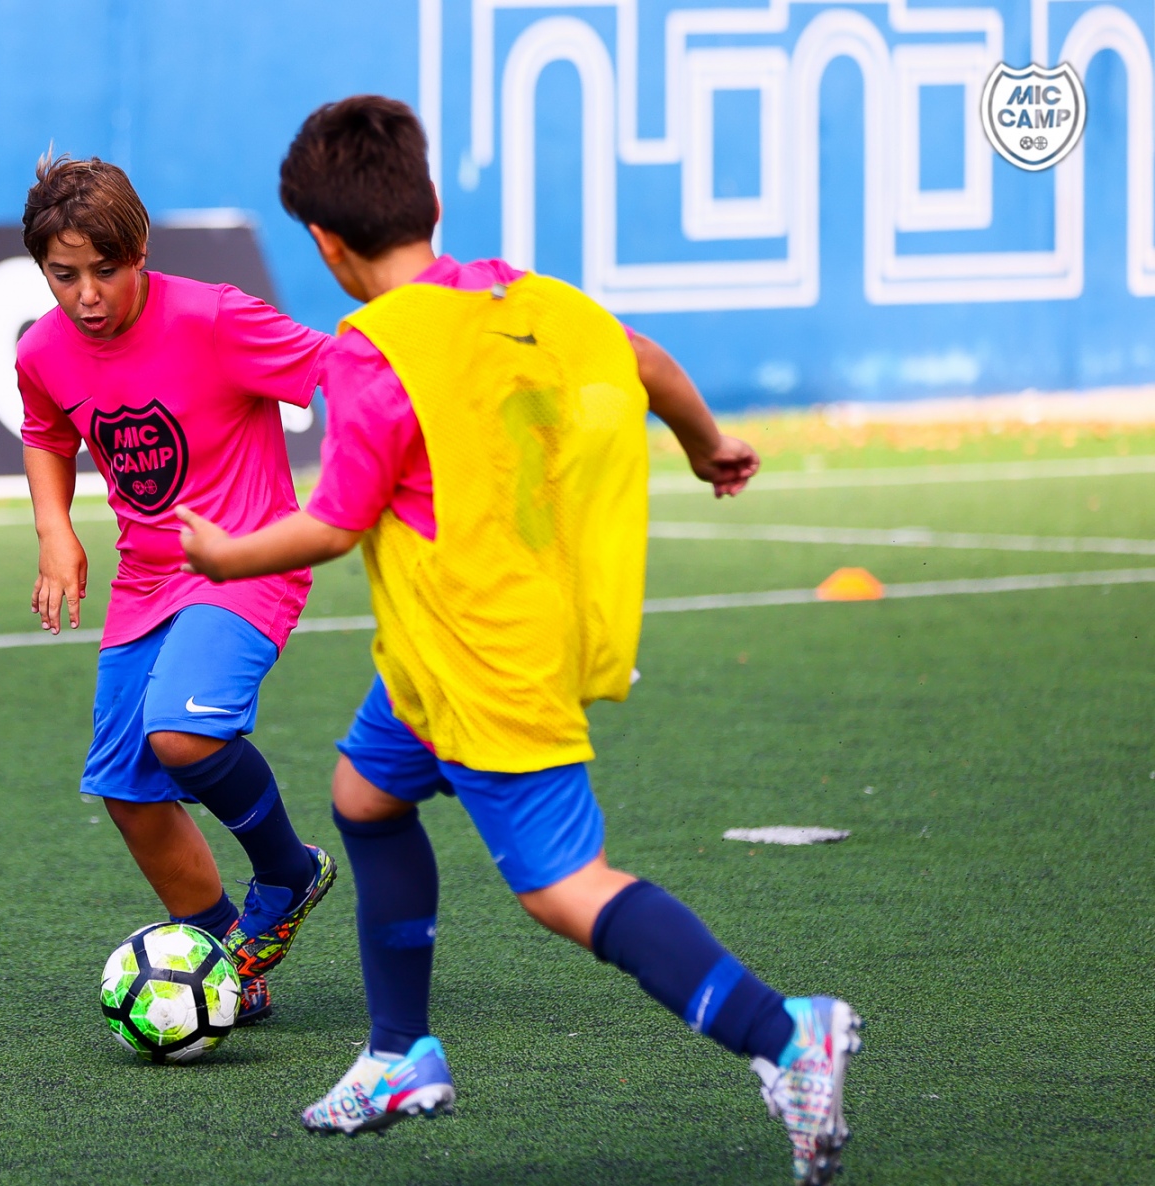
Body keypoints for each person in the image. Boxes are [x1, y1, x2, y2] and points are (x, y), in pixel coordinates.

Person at [175, 98, 862, 1183]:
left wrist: (225, 556)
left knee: (563, 887)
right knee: (364, 796)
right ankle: (400, 1054)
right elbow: (642, 359)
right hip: (443, 650)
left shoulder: (371, 354)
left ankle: (786, 1033)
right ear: (432, 203)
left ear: (326, 243)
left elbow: (337, 522)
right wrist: (707, 444)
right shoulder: (528, 299)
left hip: (486, 661)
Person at [15, 154, 337, 1022]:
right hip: (146, 579)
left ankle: (288, 873)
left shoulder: (216, 318)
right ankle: (229, 967)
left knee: (181, 736)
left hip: (248, 562)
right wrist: (54, 530)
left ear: (141, 251)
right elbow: (45, 431)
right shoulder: (42, 349)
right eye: (64, 275)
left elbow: (340, 375)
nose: (87, 295)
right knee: (128, 790)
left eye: (105, 270)